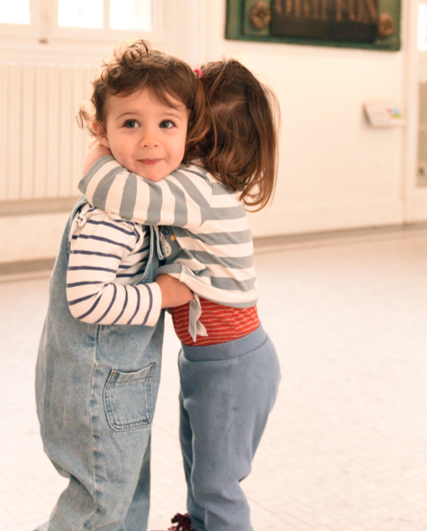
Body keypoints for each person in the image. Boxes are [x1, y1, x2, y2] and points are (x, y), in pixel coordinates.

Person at [79, 57, 281, 531]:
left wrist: (102, 146)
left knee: (218, 485)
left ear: (197, 132)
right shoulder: (200, 188)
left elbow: (108, 189)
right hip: (215, 360)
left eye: (173, 118)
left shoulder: (194, 190)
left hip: (230, 365)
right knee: (201, 470)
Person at [35, 40, 206, 531]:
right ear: (102, 130)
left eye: (166, 124)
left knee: (126, 496)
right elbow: (87, 299)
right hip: (98, 389)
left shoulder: (138, 198)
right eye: (131, 123)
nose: (150, 141)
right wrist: (167, 294)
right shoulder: (114, 215)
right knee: (100, 508)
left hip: (116, 384)